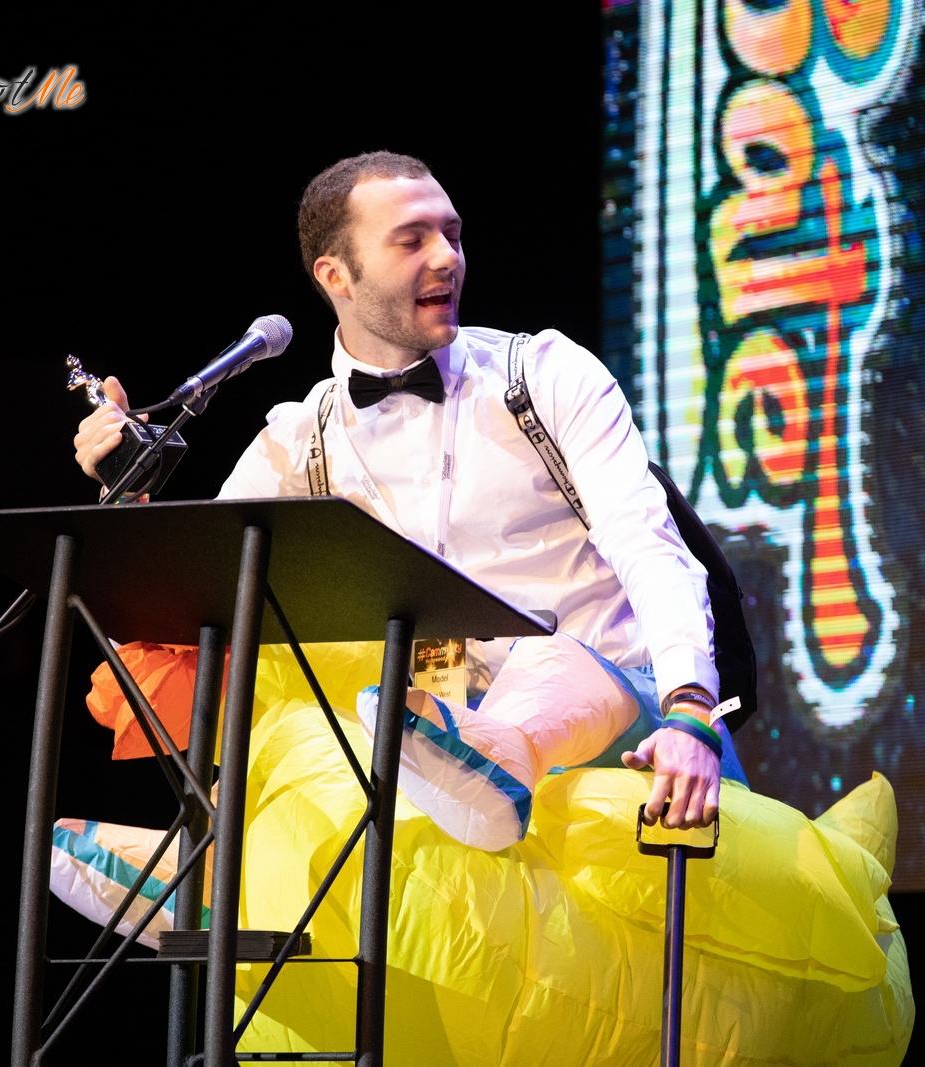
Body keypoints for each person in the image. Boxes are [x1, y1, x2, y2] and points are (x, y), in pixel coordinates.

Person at [74, 151, 744, 848]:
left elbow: (649, 546)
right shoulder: (299, 439)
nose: (447, 257)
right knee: (310, 729)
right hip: (431, 747)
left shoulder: (543, 376)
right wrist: (126, 494)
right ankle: (201, 869)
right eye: (412, 240)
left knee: (554, 664)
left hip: (620, 722)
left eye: (452, 234)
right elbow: (189, 614)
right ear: (335, 275)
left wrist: (690, 707)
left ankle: (486, 757)